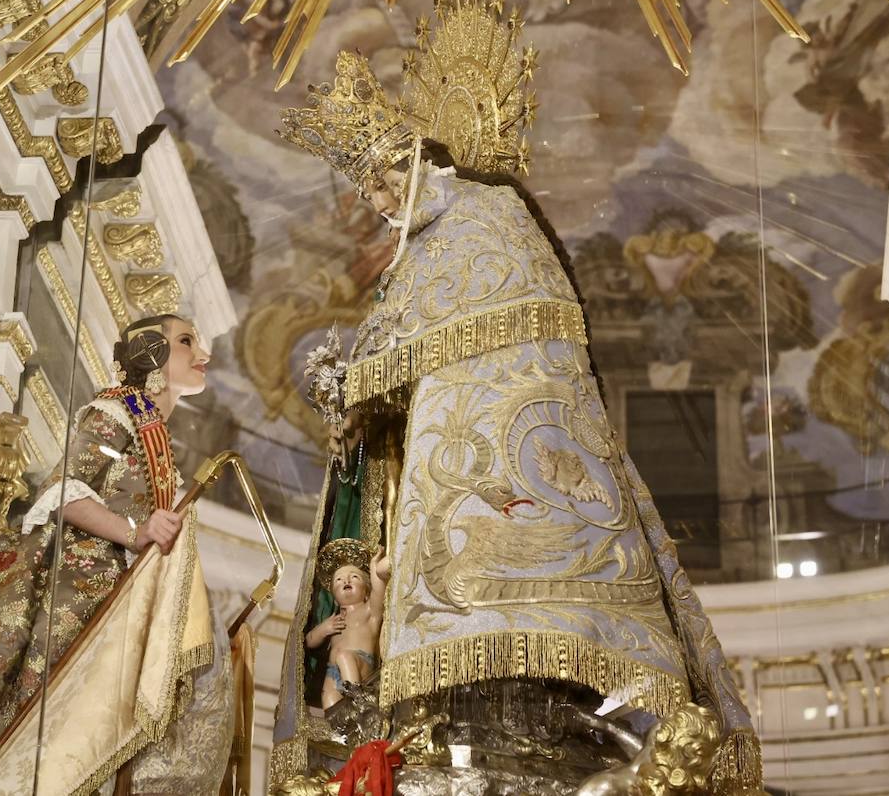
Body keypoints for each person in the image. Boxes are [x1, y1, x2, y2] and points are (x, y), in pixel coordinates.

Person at [270, 44, 760, 794]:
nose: (375, 205)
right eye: (366, 193)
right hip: (444, 454)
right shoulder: (423, 248)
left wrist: (363, 372)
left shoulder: (486, 213)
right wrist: (357, 387)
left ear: (412, 161)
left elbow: (459, 320)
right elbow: (403, 338)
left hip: (515, 442)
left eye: (378, 183)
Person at [0, 315, 234, 796]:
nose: (201, 354)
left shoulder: (155, 432)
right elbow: (64, 488)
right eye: (187, 342)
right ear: (152, 353)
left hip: (122, 593)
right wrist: (136, 531)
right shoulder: (114, 411)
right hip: (80, 585)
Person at [305, 539, 388, 709]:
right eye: (339, 580)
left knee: (344, 655)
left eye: (354, 577)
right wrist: (324, 629)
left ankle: (359, 703)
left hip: (360, 663)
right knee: (329, 701)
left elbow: (379, 593)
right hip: (333, 671)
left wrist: (374, 568)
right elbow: (309, 641)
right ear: (334, 595)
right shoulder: (333, 620)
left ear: (366, 589)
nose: (345, 581)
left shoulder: (368, 611)